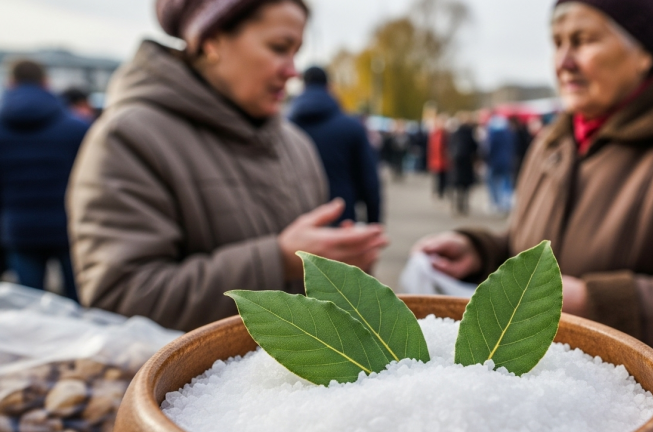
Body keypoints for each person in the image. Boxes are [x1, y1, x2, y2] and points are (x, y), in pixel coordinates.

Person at [414, 0, 653, 432]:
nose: (563, 61)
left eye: (584, 40)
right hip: (561, 422)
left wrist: (596, 304)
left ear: (642, 51)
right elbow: (539, 245)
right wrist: (480, 251)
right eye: (557, 42)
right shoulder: (555, 140)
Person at [67, 0, 387, 331]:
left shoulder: (296, 144)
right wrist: (279, 260)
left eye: (296, 52)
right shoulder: (127, 138)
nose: (293, 70)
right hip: (188, 382)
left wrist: (339, 265)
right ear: (212, 40)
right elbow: (120, 297)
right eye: (279, 48)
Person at [0, 60, 88, 301]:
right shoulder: (76, 127)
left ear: (11, 83)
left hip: (19, 229)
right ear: (46, 83)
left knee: (31, 307)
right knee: (80, 303)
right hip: (69, 226)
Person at [288, 66, 382, 224]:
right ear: (329, 86)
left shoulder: (286, 127)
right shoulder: (352, 126)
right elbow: (370, 181)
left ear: (303, 86)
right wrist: (374, 224)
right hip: (341, 219)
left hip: (296, 225)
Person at [484, 114, 516, 214]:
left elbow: (490, 149)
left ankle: (496, 202)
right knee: (505, 182)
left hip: (494, 162)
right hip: (506, 161)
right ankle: (506, 202)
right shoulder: (508, 133)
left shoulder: (493, 134)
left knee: (492, 182)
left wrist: (486, 159)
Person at [449, 111, 479, 215]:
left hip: (458, 162)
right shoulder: (470, 133)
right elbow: (475, 147)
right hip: (467, 162)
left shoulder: (456, 133)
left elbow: (450, 146)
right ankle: (464, 205)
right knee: (465, 186)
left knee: (458, 184)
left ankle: (458, 204)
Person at [427, 114, 450, 199]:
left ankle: (443, 192)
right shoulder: (434, 134)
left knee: (444, 178)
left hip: (445, 160)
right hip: (436, 160)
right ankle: (438, 193)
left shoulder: (447, 134)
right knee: (437, 178)